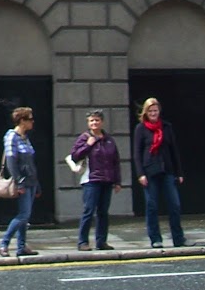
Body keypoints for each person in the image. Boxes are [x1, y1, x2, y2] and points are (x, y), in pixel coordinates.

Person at [132, 96, 187, 248]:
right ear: (146, 112)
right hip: (150, 172)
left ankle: (179, 238)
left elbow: (174, 150)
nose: (153, 113)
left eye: (155, 110)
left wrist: (179, 172)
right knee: (152, 206)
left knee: (174, 204)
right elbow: (137, 153)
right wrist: (140, 174)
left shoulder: (166, 127)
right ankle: (155, 239)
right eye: (150, 111)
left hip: (167, 170)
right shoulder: (141, 129)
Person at [70, 109, 121, 250]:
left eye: (97, 120)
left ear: (102, 122)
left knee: (103, 212)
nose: (94, 123)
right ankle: (82, 242)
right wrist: (88, 145)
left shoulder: (109, 139)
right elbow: (75, 156)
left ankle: (101, 241)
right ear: (88, 122)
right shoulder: (84, 138)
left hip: (107, 180)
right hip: (91, 180)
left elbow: (115, 161)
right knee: (88, 211)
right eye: (92, 120)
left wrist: (117, 181)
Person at [0, 106, 40, 257]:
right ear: (22, 121)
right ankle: (4, 243)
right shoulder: (11, 137)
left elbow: (31, 163)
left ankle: (21, 246)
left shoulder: (25, 138)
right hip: (22, 181)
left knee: (26, 216)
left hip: (31, 181)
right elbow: (11, 162)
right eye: (30, 119)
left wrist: (37, 184)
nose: (32, 122)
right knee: (23, 214)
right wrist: (19, 182)